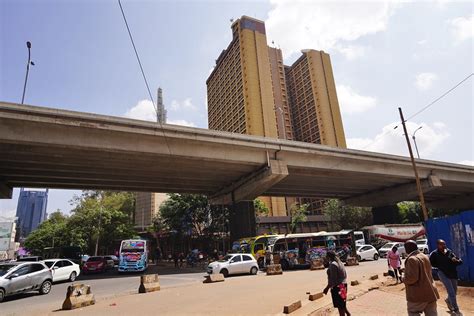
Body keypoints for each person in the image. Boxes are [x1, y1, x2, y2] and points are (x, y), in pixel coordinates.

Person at [403, 240, 439, 316]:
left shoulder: (412, 259)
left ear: (408, 248)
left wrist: (403, 278)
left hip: (418, 296)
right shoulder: (424, 256)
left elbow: (412, 278)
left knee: (413, 312)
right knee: (432, 313)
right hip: (430, 292)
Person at [429, 239, 463, 315]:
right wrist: (437, 269)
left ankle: (448, 300)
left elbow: (459, 260)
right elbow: (430, 264)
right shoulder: (434, 254)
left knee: (454, 291)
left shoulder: (449, 252)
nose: (444, 246)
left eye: (444, 244)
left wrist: (456, 261)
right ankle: (455, 309)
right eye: (442, 244)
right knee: (451, 291)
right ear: (438, 245)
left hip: (452, 273)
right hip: (443, 273)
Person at [323, 251, 351, 316]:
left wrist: (327, 288)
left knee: (340, 306)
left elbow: (333, 279)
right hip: (343, 285)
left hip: (338, 287)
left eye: (326, 256)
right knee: (342, 304)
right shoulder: (340, 263)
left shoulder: (333, 264)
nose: (325, 258)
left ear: (329, 257)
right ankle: (348, 314)